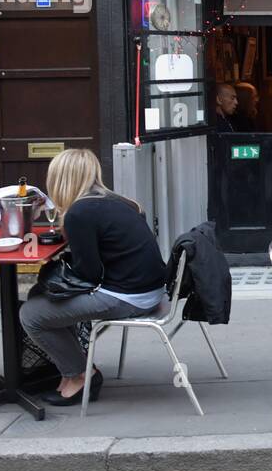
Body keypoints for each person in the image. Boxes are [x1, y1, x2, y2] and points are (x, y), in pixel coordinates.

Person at [19, 149, 167, 406]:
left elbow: (89, 274)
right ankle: (71, 368)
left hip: (127, 296)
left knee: (31, 315)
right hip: (148, 290)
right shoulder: (119, 201)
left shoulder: (80, 212)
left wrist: (60, 262)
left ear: (61, 179)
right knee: (39, 296)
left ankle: (80, 375)